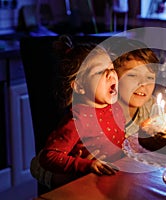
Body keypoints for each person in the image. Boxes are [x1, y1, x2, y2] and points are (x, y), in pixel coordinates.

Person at [30, 35, 125, 189]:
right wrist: (87, 165)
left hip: (111, 183)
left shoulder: (116, 109)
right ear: (79, 86)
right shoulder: (78, 120)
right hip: (85, 186)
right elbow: (49, 157)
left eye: (112, 68)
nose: (111, 74)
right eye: (100, 72)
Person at [112, 38, 160, 136]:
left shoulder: (153, 108)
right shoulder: (99, 115)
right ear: (114, 77)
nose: (143, 83)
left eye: (150, 77)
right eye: (133, 75)